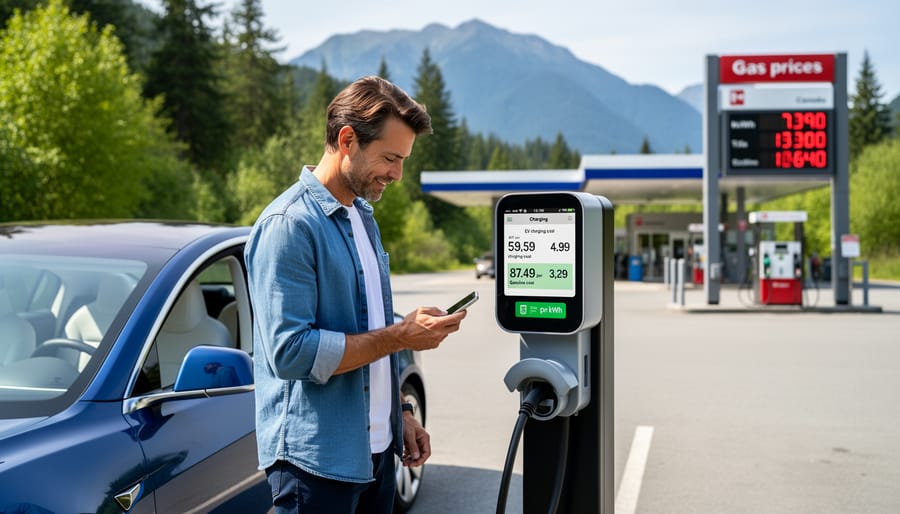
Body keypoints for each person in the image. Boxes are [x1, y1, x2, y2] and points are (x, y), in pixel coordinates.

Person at [245, 76, 468, 513]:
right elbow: (291, 353)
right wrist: (402, 335)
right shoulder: (289, 225)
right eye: (389, 158)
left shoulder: (362, 216)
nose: (397, 174)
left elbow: (374, 322)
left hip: (378, 454)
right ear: (347, 140)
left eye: (402, 160)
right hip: (315, 466)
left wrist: (401, 411)